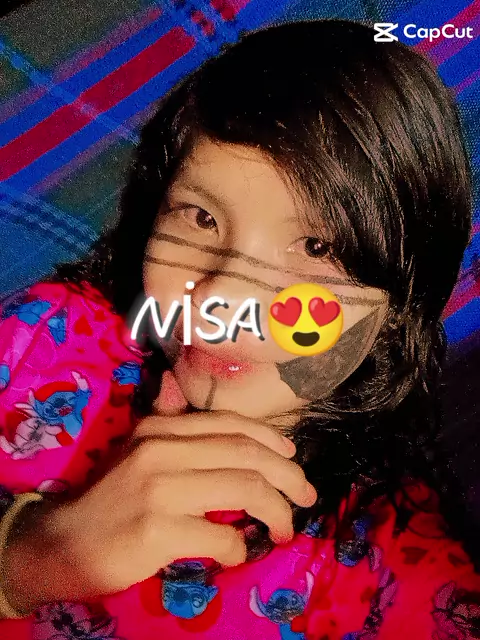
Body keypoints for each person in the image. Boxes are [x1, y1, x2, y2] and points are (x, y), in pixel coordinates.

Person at [0, 17, 478, 640]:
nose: (222, 298)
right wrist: (27, 561)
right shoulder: (43, 339)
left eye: (316, 246)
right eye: (200, 217)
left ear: (396, 313)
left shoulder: (394, 566)